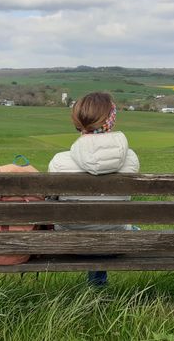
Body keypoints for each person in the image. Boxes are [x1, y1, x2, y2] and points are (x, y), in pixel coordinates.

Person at [48, 92, 139, 286]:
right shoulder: (131, 159)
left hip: (70, 243)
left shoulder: (59, 161)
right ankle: (98, 286)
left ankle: (96, 287)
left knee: (90, 222)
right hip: (115, 241)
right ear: (111, 120)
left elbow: (51, 202)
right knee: (111, 222)